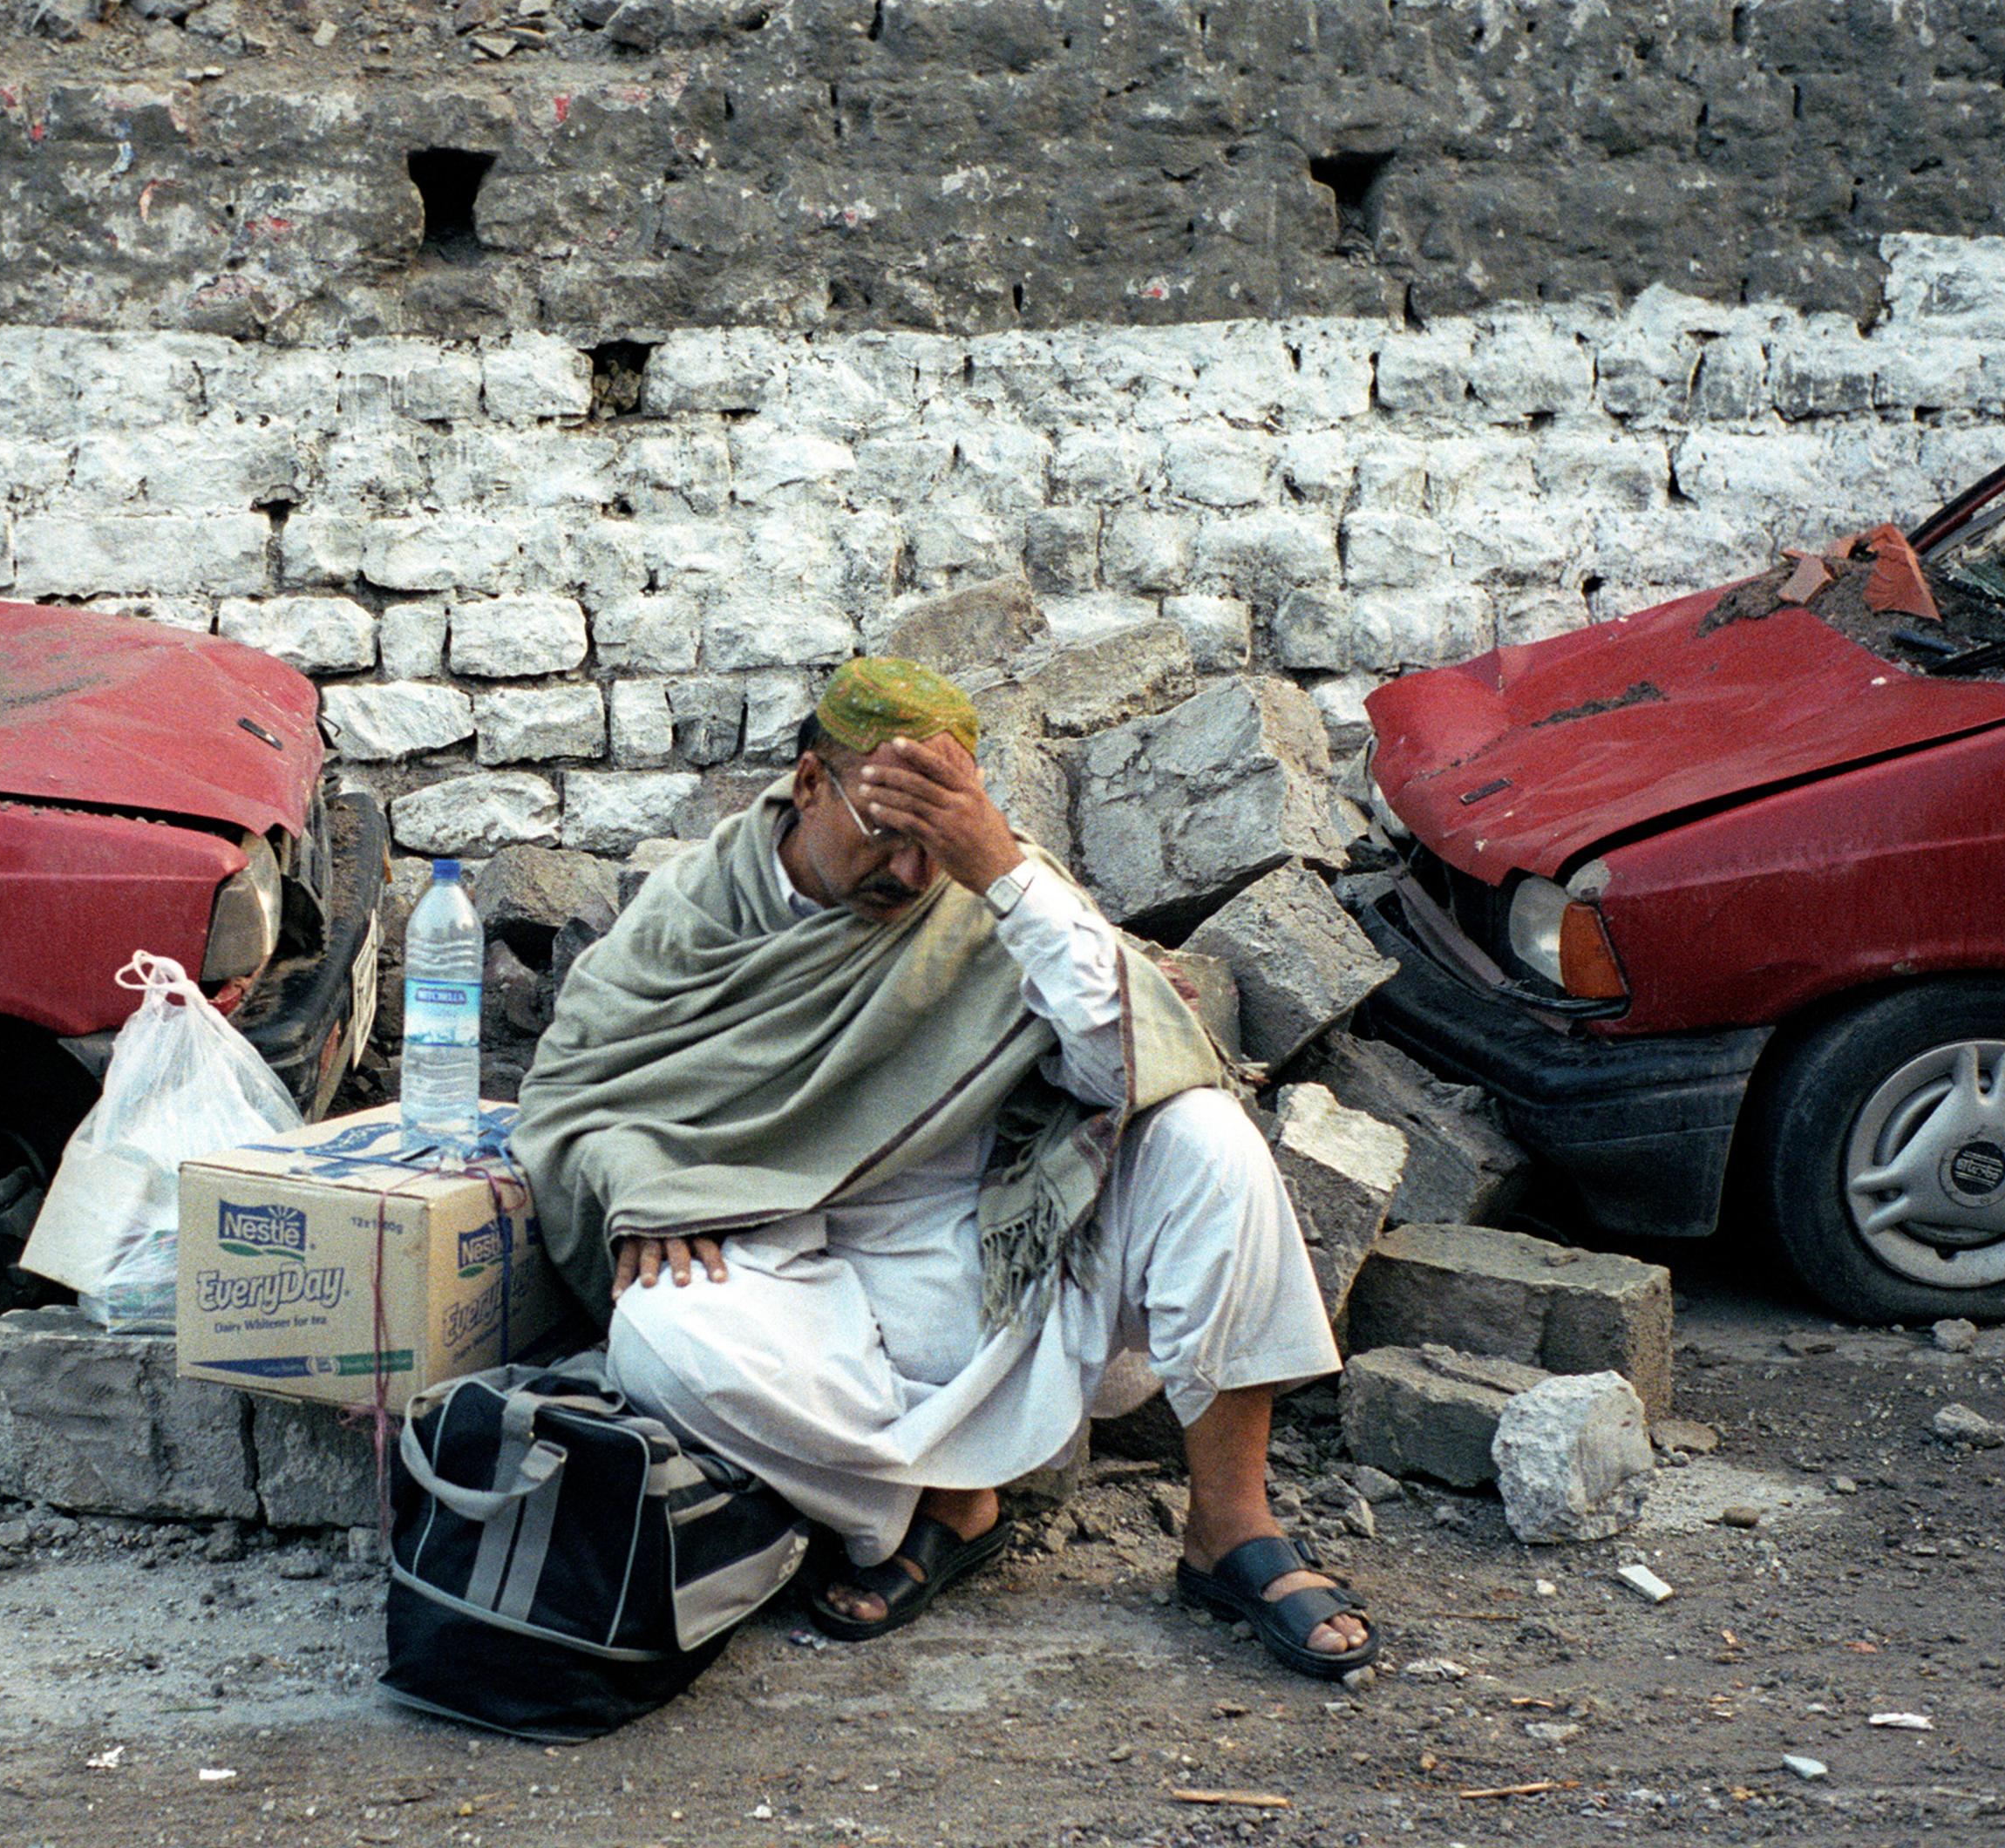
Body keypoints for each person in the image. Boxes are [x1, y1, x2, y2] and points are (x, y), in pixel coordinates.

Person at [510, 658, 1376, 1679]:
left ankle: (1227, 1528)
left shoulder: (991, 890)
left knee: (1207, 1135)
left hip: (1002, 1253)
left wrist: (1003, 876)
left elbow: (1126, 1062)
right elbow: (572, 1095)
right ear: (806, 786)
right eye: (887, 834)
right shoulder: (695, 911)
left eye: (939, 842)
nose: (913, 877)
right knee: (657, 1341)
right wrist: (640, 1182)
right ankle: (929, 1509)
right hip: (801, 1269)